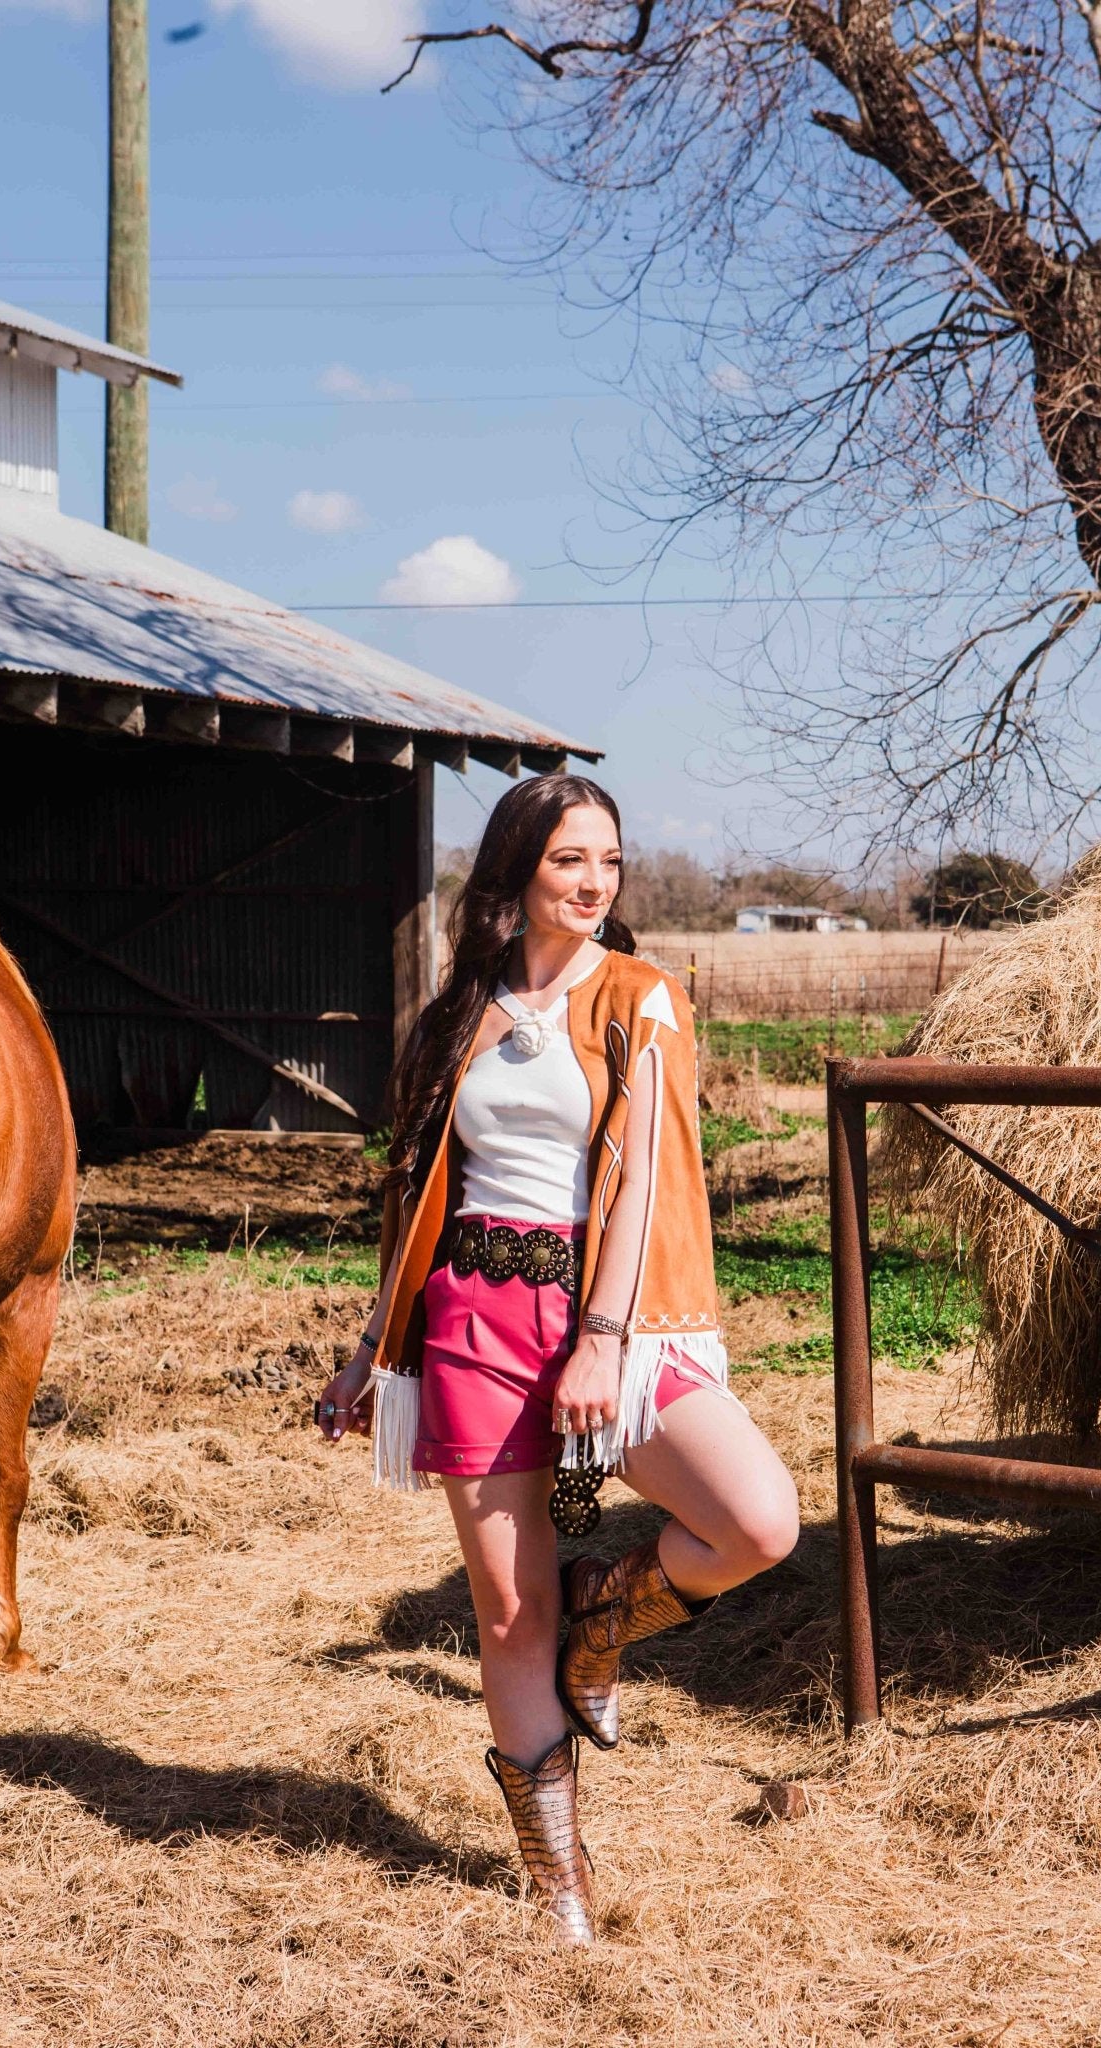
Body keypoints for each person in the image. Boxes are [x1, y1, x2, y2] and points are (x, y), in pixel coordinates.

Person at [315, 774, 800, 1945]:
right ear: (518, 868)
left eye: (611, 862)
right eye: (571, 859)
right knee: (506, 1610)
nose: (594, 883)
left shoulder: (641, 996)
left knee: (758, 1519)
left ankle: (607, 1616)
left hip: (602, 1315)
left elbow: (638, 1180)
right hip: (472, 1320)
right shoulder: (461, 1010)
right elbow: (422, 1196)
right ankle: (559, 1885)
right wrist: (371, 1348)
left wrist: (603, 1334)